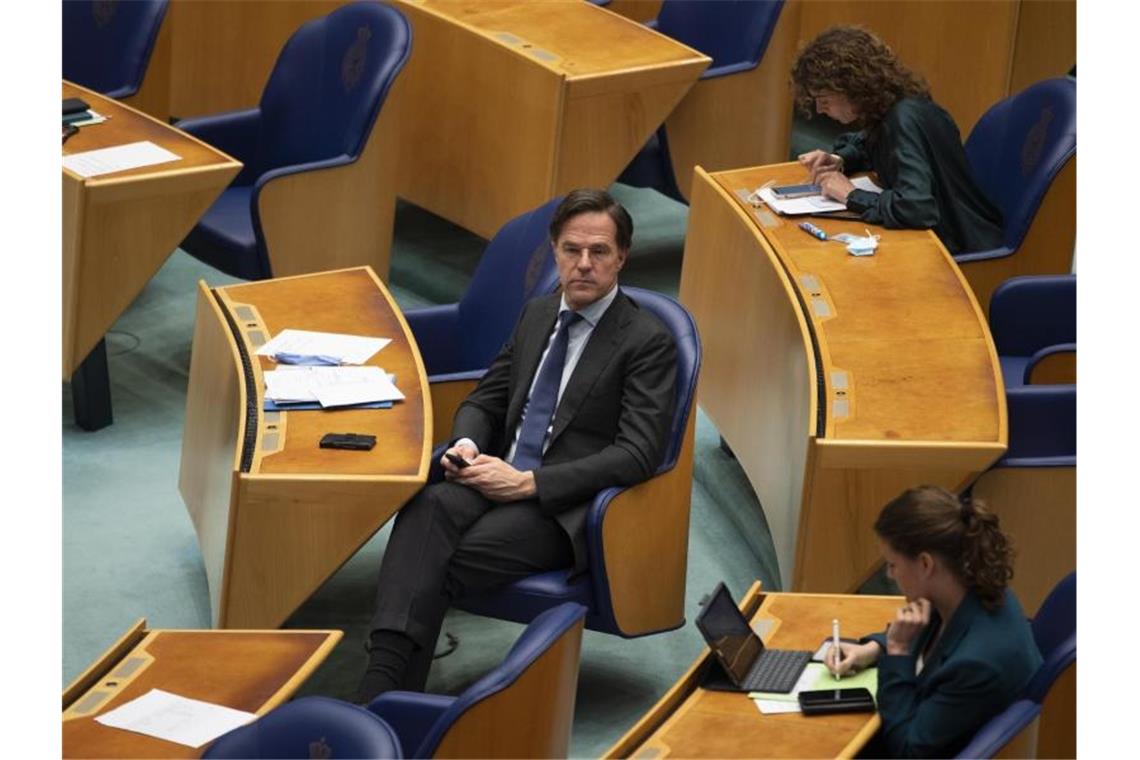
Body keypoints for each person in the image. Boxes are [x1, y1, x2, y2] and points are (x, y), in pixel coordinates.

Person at [355, 189, 677, 703]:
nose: (585, 264)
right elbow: (486, 398)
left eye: (599, 252)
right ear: (554, 251)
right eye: (572, 250)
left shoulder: (647, 341)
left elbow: (637, 453)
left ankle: (382, 693)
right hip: (495, 473)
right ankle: (391, 696)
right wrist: (466, 443)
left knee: (431, 561)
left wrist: (530, 482)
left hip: (559, 506)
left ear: (622, 257)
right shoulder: (537, 316)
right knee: (427, 505)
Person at [825, 486, 1042, 758]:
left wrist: (898, 653)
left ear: (926, 564)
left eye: (893, 565)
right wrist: (873, 650)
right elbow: (928, 630)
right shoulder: (970, 589)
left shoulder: (976, 664)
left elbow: (907, 750)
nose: (890, 575)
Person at [790, 26, 1004, 256]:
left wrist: (850, 194)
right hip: (948, 235)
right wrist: (840, 159)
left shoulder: (904, 120)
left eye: (823, 99)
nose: (820, 110)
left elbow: (917, 208)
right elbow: (871, 143)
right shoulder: (895, 104)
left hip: (959, 249)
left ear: (851, 86)